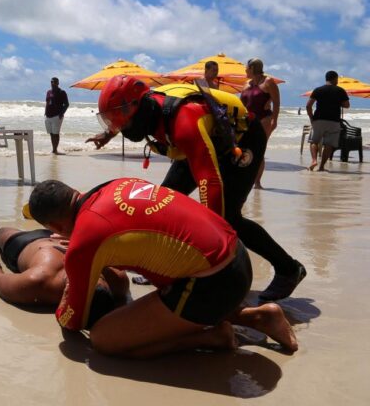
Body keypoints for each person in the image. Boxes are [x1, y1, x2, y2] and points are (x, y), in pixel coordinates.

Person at [86, 76, 305, 302]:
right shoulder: (145, 109)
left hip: (242, 139)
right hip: (205, 140)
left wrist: (212, 243)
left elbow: (209, 181)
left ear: (137, 107)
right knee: (163, 206)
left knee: (226, 217)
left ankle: (289, 269)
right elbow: (122, 116)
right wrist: (107, 134)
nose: (118, 126)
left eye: (119, 121)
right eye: (111, 121)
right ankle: (164, 266)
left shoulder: (182, 122)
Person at [25, 178, 298, 359]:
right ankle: (256, 317)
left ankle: (213, 337)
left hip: (213, 283)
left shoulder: (85, 242)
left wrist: (71, 282)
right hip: (236, 253)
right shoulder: (114, 185)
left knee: (104, 339)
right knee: (171, 273)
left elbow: (72, 319)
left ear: (56, 228)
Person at [0, 210, 129, 327]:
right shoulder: (117, 280)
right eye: (97, 276)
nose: (90, 273)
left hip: (25, 244)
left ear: (69, 295)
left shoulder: (38, 282)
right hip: (64, 236)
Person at [240, 58, 280, 189]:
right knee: (245, 150)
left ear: (252, 68)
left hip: (264, 120)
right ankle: (246, 178)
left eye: (246, 67)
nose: (245, 70)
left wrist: (274, 120)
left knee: (259, 151)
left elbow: (276, 102)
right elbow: (242, 104)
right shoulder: (246, 84)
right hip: (248, 121)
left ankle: (257, 182)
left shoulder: (268, 82)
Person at [306, 70, 350, 171]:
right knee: (329, 144)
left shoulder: (318, 90)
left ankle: (314, 160)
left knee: (314, 141)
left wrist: (311, 118)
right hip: (334, 121)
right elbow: (347, 105)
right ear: (335, 78)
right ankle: (321, 167)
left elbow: (308, 105)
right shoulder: (340, 90)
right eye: (337, 79)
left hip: (318, 120)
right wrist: (339, 102)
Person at [45, 77, 69, 154]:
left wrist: (61, 114)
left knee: (56, 133)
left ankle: (55, 150)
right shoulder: (48, 92)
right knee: (51, 133)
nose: (53, 83)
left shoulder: (62, 92)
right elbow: (47, 102)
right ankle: (53, 149)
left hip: (57, 116)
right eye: (52, 82)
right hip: (48, 116)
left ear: (58, 83)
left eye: (55, 82)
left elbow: (66, 104)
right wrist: (45, 112)